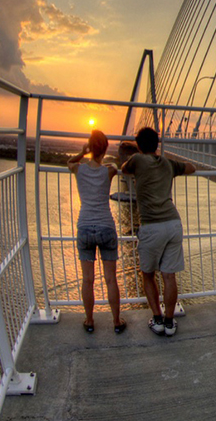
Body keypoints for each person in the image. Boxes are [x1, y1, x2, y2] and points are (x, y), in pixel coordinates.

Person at [121, 127, 195, 337]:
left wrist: (134, 151)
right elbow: (191, 167)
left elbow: (124, 168)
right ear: (157, 144)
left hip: (151, 225)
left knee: (147, 274)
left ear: (139, 146)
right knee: (169, 276)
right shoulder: (168, 163)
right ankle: (170, 322)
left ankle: (157, 318)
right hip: (173, 223)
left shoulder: (137, 160)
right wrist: (169, 163)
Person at [68, 130, 125, 334]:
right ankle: (116, 321)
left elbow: (69, 162)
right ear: (105, 149)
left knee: (87, 279)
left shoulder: (79, 169)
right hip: (106, 227)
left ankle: (90, 320)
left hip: (85, 227)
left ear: (90, 148)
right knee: (111, 279)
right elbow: (116, 166)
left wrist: (82, 152)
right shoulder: (108, 171)